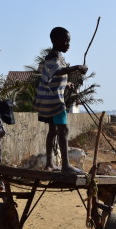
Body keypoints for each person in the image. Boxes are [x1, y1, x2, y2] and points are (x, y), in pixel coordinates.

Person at [34, 27, 88, 173]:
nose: (68, 44)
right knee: (63, 130)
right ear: (56, 41)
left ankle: (50, 164)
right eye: (66, 41)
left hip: (49, 100)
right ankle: (66, 165)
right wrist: (76, 67)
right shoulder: (52, 57)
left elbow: (56, 77)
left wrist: (67, 84)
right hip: (55, 101)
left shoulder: (57, 56)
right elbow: (56, 71)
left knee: (53, 131)